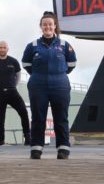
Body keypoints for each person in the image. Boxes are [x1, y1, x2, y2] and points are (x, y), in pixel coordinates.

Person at [21, 11, 76, 160]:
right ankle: (36, 148)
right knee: (38, 117)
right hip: (38, 85)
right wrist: (39, 75)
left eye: (50, 24)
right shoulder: (32, 46)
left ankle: (63, 149)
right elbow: (26, 64)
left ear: (55, 26)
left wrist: (58, 74)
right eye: (44, 24)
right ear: (41, 26)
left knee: (61, 117)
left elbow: (71, 64)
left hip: (60, 85)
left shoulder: (65, 45)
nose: (47, 27)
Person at [0, 41, 31, 145]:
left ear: (7, 49)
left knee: (23, 112)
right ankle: (1, 141)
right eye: (0, 47)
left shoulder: (14, 61)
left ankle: (28, 137)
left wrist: (12, 86)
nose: (2, 49)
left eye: (4, 47)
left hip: (12, 92)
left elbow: (18, 76)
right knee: (0, 119)